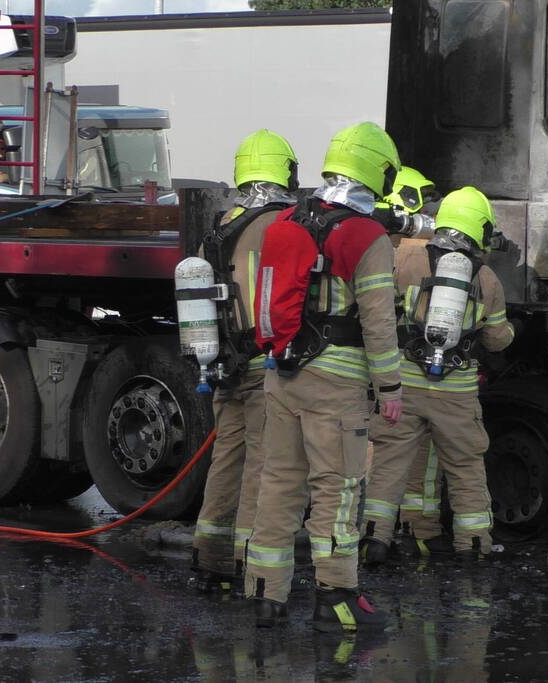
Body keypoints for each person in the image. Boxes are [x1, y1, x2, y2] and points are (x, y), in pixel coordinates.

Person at [246, 122, 403, 632]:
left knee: (280, 483)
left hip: (283, 373)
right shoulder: (366, 235)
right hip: (336, 385)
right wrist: (391, 388)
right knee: (339, 489)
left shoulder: (290, 219)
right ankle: (336, 599)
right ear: (377, 171)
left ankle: (266, 594)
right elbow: (379, 321)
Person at [361, 186, 514, 563]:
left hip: (405, 384)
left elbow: (383, 310)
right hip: (457, 392)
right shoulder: (489, 279)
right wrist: (512, 332)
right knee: (465, 467)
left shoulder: (405, 257)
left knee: (389, 464)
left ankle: (374, 540)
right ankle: (473, 545)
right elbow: (496, 340)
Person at [190, 129, 299, 594]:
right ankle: (248, 557)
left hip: (221, 366)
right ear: (282, 170)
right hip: (263, 364)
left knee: (227, 458)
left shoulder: (218, 231)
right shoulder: (283, 225)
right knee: (264, 460)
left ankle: (211, 554)